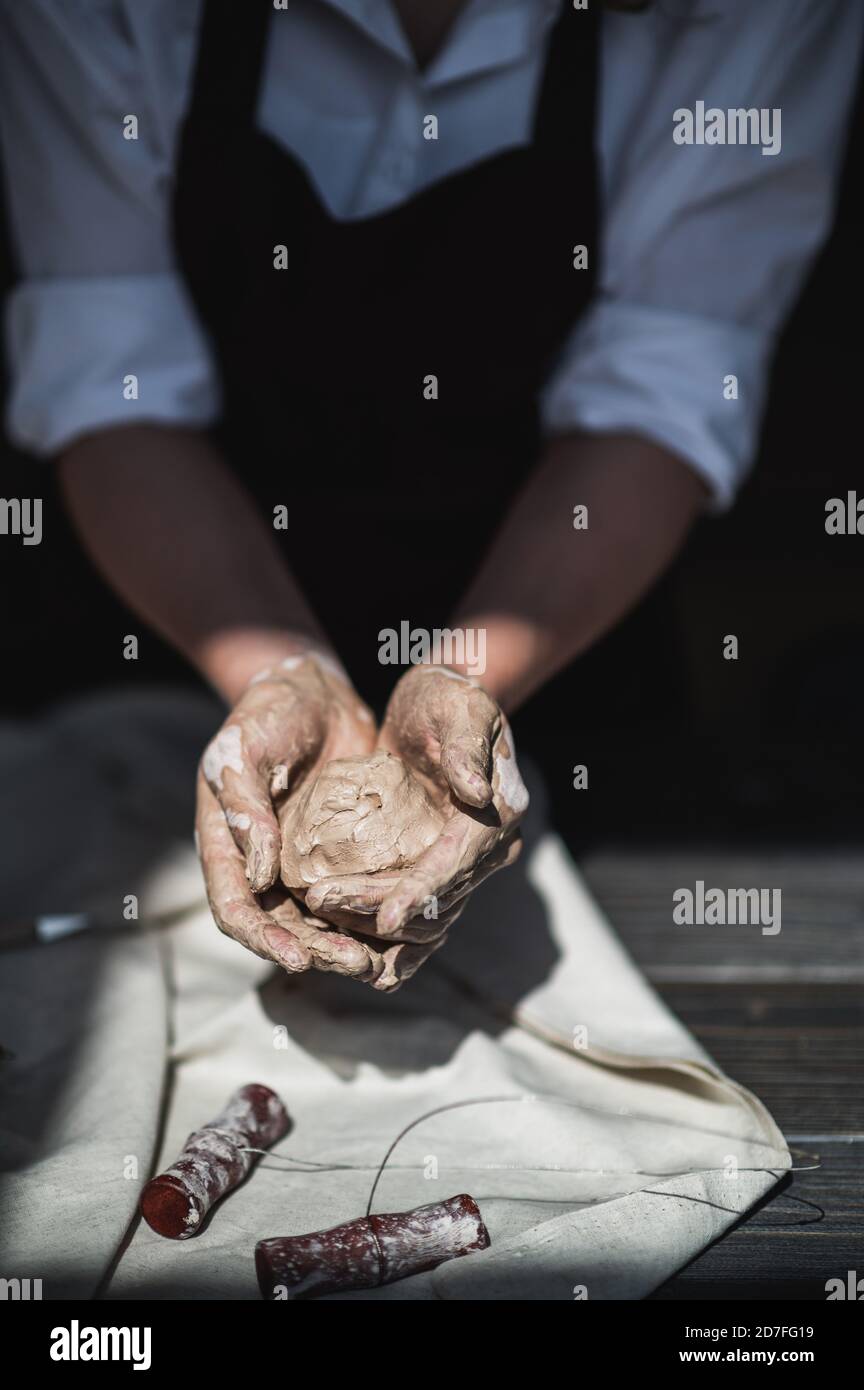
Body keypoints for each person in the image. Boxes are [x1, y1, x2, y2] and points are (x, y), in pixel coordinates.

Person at [1, 0, 860, 986]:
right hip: (164, 622)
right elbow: (112, 388)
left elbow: (664, 393)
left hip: (561, 634)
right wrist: (279, 672)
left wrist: (467, 678)